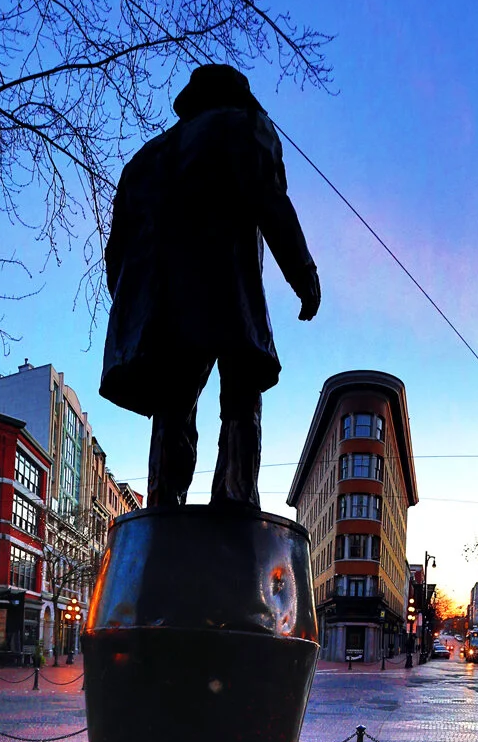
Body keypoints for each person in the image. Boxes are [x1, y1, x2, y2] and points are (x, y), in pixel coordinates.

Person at [100, 64, 320, 508]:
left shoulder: (144, 160)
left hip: (162, 309)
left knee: (172, 409)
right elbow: (270, 200)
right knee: (241, 398)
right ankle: (236, 505)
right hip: (227, 292)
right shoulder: (243, 125)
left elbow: (116, 256)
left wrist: (138, 312)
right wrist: (304, 275)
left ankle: (162, 507)